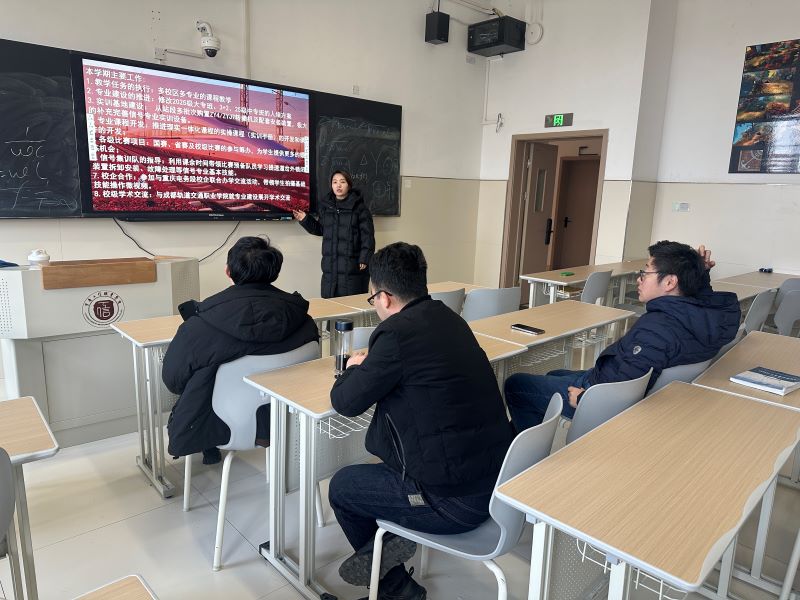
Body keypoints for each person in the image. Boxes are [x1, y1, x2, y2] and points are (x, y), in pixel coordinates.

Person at [327, 242, 515, 600]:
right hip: (493, 484)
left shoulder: (394, 333)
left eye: (372, 298)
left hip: (453, 502)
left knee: (343, 487)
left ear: (384, 298)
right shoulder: (450, 318)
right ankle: (387, 542)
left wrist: (352, 368)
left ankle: (395, 586)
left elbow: (345, 402)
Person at [504, 241, 741, 431]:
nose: (639, 279)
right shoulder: (707, 318)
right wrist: (700, 275)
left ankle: (526, 460)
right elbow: (709, 301)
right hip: (615, 381)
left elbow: (627, 381)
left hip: (598, 394)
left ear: (669, 282)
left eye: (645, 273)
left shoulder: (657, 329)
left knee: (516, 384)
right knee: (554, 374)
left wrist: (587, 398)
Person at [162, 236, 318, 464]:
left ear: (228, 271)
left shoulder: (199, 327)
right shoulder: (304, 321)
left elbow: (173, 381)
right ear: (274, 272)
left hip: (215, 425)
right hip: (287, 418)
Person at [293, 169, 375, 298]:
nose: (338, 185)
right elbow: (321, 229)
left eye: (342, 182)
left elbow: (368, 236)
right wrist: (305, 219)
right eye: (335, 182)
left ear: (349, 185)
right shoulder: (327, 207)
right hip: (330, 269)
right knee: (330, 303)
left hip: (352, 267)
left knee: (350, 305)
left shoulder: (360, 209)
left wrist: (365, 258)